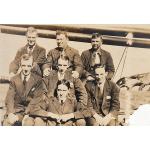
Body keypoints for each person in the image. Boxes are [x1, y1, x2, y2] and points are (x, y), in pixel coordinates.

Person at [3, 54, 43, 126]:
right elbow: (10, 98)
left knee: (29, 124)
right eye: (23, 65)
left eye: (28, 66)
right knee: (7, 123)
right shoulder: (14, 79)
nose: (26, 69)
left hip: (31, 112)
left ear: (32, 65)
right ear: (20, 65)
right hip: (16, 111)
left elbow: (36, 99)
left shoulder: (38, 80)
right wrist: (11, 113)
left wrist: (26, 114)